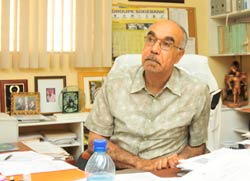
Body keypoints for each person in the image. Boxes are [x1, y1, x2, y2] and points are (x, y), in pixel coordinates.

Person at [84, 20, 210, 171]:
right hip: (116, 171)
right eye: (150, 40)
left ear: (179, 55)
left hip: (166, 173)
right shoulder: (115, 83)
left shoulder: (196, 91)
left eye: (166, 44)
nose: (154, 49)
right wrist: (141, 163)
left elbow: (197, 147)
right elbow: (95, 141)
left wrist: (178, 160)